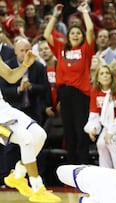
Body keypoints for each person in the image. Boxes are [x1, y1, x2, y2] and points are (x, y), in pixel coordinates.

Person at [0, 50, 61, 202]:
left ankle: (17, 175)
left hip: (3, 107)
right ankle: (38, 188)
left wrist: (26, 64)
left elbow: (11, 76)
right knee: (26, 138)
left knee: (39, 135)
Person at [43, 3, 95, 164]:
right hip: (64, 94)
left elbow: (91, 30)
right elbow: (46, 34)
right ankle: (71, 168)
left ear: (82, 35)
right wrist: (55, 15)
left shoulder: (86, 50)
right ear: (68, 35)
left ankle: (83, 167)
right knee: (69, 133)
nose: (75, 35)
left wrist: (84, 11)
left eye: (78, 33)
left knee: (80, 133)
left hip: (81, 95)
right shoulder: (61, 48)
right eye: (72, 32)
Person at [84, 64, 116, 169]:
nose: (105, 76)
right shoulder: (95, 91)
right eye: (101, 74)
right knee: (100, 144)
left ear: (111, 76)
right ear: (98, 78)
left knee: (110, 141)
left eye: (107, 73)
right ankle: (105, 172)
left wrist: (111, 132)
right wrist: (93, 128)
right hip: (107, 125)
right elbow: (94, 114)